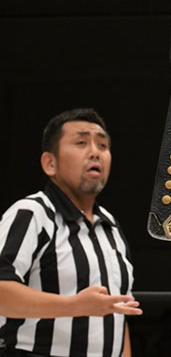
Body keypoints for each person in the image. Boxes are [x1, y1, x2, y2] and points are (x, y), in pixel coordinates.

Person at [0, 109, 141, 357]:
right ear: (50, 163)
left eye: (103, 145)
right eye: (81, 143)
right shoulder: (32, 213)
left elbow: (119, 314)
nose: (95, 152)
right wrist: (75, 306)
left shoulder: (110, 226)